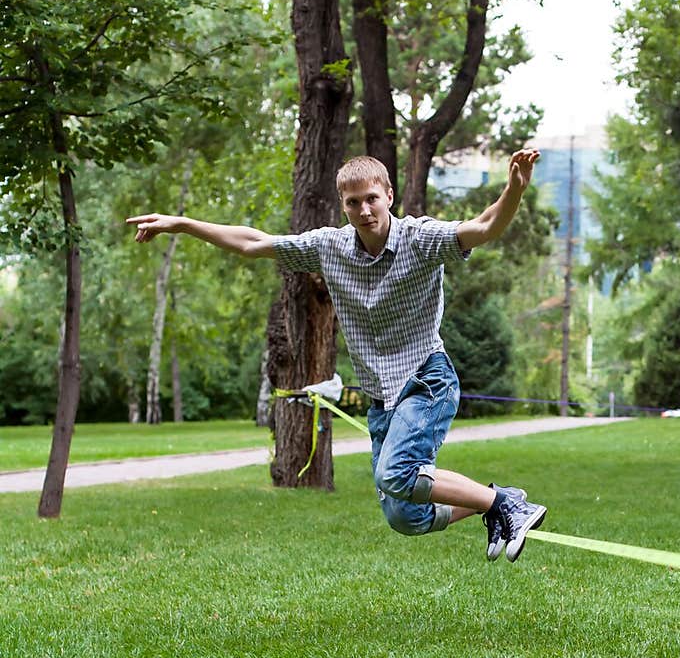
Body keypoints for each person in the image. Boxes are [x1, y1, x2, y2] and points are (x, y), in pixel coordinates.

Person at [126, 148, 547, 562]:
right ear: (343, 205)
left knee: (395, 474)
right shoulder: (330, 247)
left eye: (371, 199)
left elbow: (486, 226)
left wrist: (514, 189)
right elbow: (253, 243)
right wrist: (181, 224)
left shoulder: (421, 239)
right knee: (406, 517)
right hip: (381, 399)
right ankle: (497, 501)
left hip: (426, 381)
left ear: (388, 196)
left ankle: (505, 505)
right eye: (353, 202)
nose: (364, 210)